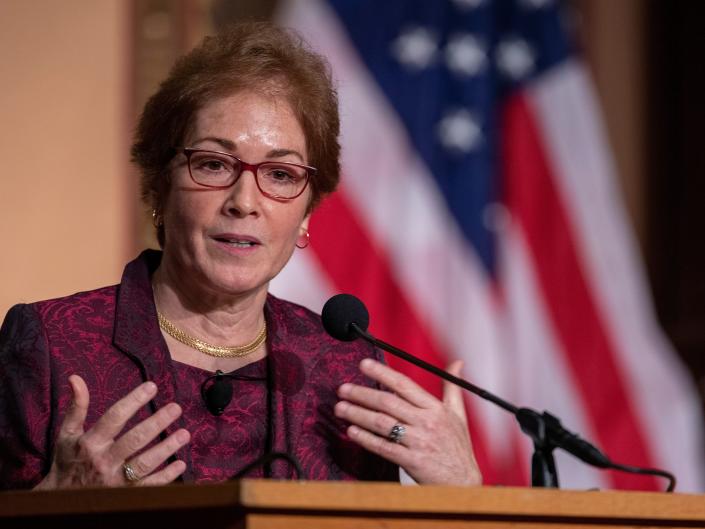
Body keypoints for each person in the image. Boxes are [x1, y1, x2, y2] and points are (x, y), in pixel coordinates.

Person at [0, 22, 481, 489]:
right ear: (159, 187)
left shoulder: (346, 370)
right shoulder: (53, 345)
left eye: (280, 175)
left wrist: (464, 498)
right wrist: (54, 506)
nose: (244, 201)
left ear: (307, 213)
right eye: (213, 164)